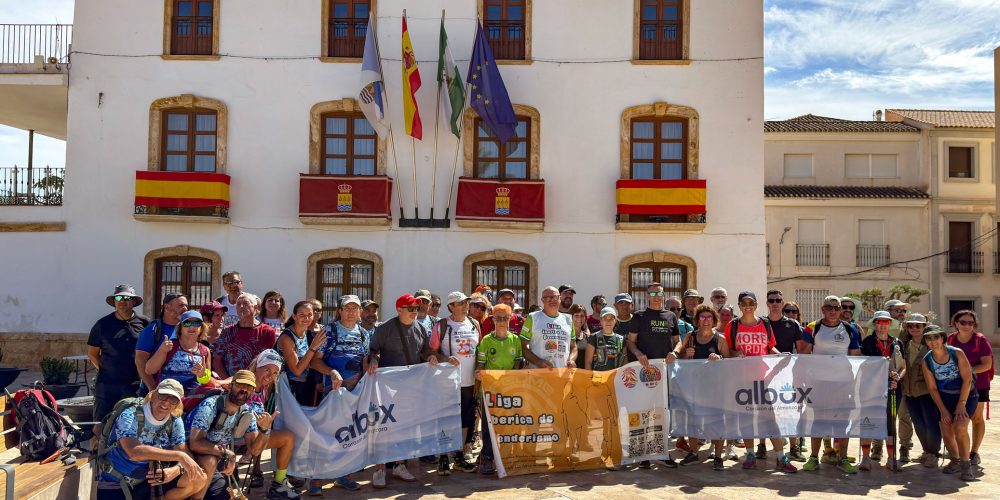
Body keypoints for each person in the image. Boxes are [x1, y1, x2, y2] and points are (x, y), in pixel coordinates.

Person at [367, 294, 459, 488]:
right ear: (399, 309)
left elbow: (425, 351)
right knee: (384, 427)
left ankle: (400, 464)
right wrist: (374, 362)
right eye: (411, 308)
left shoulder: (420, 328)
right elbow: (373, 350)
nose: (415, 311)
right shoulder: (385, 329)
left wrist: (437, 359)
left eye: (417, 308)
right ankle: (380, 468)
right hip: (388, 387)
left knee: (405, 426)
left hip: (411, 385)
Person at [186, 369, 298, 499]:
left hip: (213, 461)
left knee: (222, 496)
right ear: (230, 385)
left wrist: (265, 430)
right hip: (190, 456)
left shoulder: (247, 413)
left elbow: (255, 450)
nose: (244, 390)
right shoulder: (211, 405)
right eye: (240, 385)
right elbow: (195, 443)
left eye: (249, 387)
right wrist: (228, 454)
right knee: (210, 463)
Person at [95, 379, 207, 500]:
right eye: (163, 396)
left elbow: (184, 453)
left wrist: (176, 470)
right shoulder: (130, 414)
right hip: (117, 484)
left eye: (173, 400)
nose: (166, 402)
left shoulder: (174, 420)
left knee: (199, 478)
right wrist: (180, 456)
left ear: (177, 405)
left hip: (149, 482)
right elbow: (133, 452)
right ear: (153, 396)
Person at [726, 291, 796, 473]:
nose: (747, 306)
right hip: (742, 379)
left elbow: (769, 346)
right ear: (740, 305)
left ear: (756, 305)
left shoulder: (764, 323)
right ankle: (750, 454)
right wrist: (736, 354)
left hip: (764, 379)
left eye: (751, 302)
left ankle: (781, 457)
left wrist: (780, 355)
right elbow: (728, 351)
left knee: (770, 419)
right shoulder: (732, 326)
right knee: (747, 418)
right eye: (744, 303)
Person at [800, 296, 861, 473]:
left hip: (843, 383)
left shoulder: (850, 329)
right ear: (822, 309)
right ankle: (813, 457)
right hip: (819, 382)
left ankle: (843, 458)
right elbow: (803, 354)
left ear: (841, 309)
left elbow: (856, 356)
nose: (833, 311)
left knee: (842, 421)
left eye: (837, 307)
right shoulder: (812, 327)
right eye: (829, 307)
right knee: (818, 421)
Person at [625, 282, 679, 469]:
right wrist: (638, 354)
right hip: (644, 373)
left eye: (660, 293)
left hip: (664, 372)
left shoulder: (671, 316)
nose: (657, 297)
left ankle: (662, 452)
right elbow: (630, 342)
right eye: (653, 294)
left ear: (663, 295)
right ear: (647, 296)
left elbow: (677, 341)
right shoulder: (639, 317)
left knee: (662, 412)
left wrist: (676, 352)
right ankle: (643, 455)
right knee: (644, 412)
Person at [671, 304, 730, 470]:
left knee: (718, 422)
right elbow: (679, 357)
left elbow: (730, 362)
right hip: (693, 387)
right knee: (693, 420)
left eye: (709, 317)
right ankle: (694, 453)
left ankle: (718, 457)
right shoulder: (690, 336)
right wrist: (684, 354)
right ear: (697, 320)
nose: (705, 320)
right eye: (702, 317)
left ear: (714, 320)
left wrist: (719, 358)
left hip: (715, 388)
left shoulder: (721, 339)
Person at [430, 292, 481, 475]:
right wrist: (445, 358)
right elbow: (430, 352)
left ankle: (459, 455)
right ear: (451, 306)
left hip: (468, 381)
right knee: (446, 418)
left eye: (466, 302)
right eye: (461, 303)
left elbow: (479, 351)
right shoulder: (442, 325)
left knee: (466, 419)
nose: (466, 305)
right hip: (448, 382)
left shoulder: (474, 324)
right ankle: (444, 456)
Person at [922, 327, 978, 481]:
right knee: (946, 428)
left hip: (966, 395)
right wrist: (943, 410)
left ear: (942, 338)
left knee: (960, 427)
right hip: (944, 398)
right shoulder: (927, 360)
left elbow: (967, 379)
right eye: (928, 339)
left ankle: (966, 465)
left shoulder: (957, 353)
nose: (933, 342)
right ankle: (955, 460)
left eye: (935, 338)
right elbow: (932, 388)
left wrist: (962, 403)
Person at [88, 284, 150, 422]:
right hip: (107, 385)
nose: (123, 301)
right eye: (119, 297)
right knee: (100, 426)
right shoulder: (102, 324)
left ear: (133, 301)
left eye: (127, 297)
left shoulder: (145, 323)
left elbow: (150, 350)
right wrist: (105, 370)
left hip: (134, 385)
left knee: (131, 425)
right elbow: (92, 353)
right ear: (114, 301)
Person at [475, 304, 524, 475]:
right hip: (490, 391)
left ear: (511, 318)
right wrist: (478, 375)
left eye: (505, 318)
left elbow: (518, 361)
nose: (502, 321)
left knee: (509, 423)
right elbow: (480, 364)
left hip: (509, 391)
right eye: (498, 318)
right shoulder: (487, 341)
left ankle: (507, 455)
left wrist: (514, 376)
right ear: (492, 319)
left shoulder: (515, 340)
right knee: (489, 427)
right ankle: (487, 458)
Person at [945, 309, 993, 469]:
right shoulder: (951, 339)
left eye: (970, 323)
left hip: (979, 385)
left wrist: (966, 371)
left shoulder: (980, 340)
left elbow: (987, 364)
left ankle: (974, 452)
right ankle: (959, 452)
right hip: (956, 386)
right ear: (956, 324)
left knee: (976, 418)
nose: (967, 326)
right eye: (963, 322)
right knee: (957, 419)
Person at [859, 311, 905, 472]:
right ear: (875, 324)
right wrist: (880, 367)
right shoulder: (868, 342)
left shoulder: (897, 343)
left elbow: (903, 366)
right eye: (880, 322)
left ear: (889, 324)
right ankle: (866, 458)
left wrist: (897, 377)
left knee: (890, 423)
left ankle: (891, 459)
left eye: (886, 322)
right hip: (870, 388)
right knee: (868, 421)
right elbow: (861, 364)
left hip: (892, 388)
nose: (883, 325)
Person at [763, 289, 806, 460]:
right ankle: (761, 445)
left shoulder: (793, 324)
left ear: (782, 303)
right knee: (764, 410)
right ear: (767, 303)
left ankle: (794, 446)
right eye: (771, 300)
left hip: (788, 373)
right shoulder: (761, 323)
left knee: (790, 409)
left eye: (778, 300)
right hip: (765, 372)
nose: (775, 303)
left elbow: (801, 349)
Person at [901, 314, 942, 469]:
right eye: (911, 326)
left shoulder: (931, 346)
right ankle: (926, 451)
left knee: (931, 424)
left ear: (925, 327)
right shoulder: (903, 345)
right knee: (918, 424)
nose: (914, 329)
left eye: (918, 326)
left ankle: (933, 454)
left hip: (927, 393)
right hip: (910, 393)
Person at [212, 292, 278, 379]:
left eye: (246, 303)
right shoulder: (227, 331)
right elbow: (217, 361)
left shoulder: (267, 331)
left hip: (256, 383)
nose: (241, 307)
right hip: (230, 383)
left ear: (255, 307)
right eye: (238, 304)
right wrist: (229, 382)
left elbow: (268, 362)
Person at [145, 310, 211, 394]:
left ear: (201, 328)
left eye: (196, 323)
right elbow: (149, 370)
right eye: (187, 323)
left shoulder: (205, 351)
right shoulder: (169, 346)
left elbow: (206, 382)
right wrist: (162, 351)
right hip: (167, 394)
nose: (192, 327)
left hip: (193, 398)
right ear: (180, 328)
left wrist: (202, 375)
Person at [135, 293, 189, 395]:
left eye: (186, 305)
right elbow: (140, 360)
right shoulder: (153, 328)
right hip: (158, 391)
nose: (185, 309)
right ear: (167, 307)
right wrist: (152, 388)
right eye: (181, 305)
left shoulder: (185, 328)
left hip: (182, 391)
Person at [276, 300, 327, 407]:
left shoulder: (306, 332)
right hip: (287, 389)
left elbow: (310, 362)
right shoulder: (287, 338)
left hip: (304, 386)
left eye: (309, 315)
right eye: (302, 315)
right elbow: (297, 371)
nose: (306, 318)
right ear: (294, 316)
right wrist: (313, 347)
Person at [522, 286, 577, 369]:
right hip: (539, 375)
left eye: (555, 297)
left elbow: (573, 346)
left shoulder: (568, 319)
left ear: (560, 298)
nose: (552, 300)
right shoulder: (532, 318)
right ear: (542, 300)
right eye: (548, 298)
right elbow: (523, 346)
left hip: (562, 374)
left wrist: (571, 360)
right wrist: (538, 362)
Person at [585, 307, 626, 372]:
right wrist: (590, 380)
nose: (608, 321)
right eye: (605, 318)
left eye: (611, 318)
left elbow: (625, 362)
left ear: (615, 321)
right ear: (601, 320)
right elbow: (588, 362)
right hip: (598, 379)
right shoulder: (594, 337)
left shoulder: (621, 339)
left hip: (615, 379)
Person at [569, 304, 591, 369]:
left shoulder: (588, 337)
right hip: (566, 375)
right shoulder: (564, 336)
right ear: (571, 317)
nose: (579, 318)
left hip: (583, 376)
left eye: (582, 316)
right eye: (576, 315)